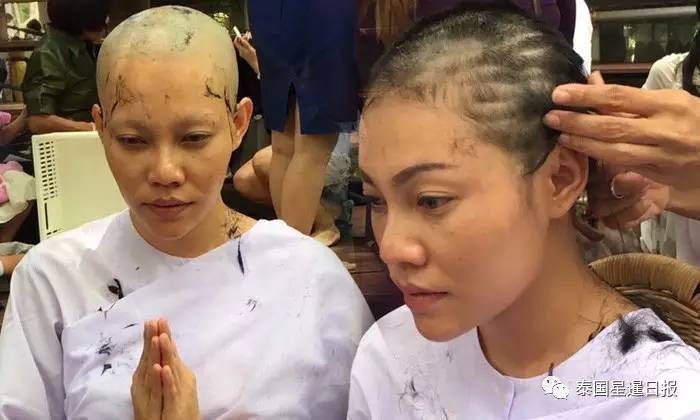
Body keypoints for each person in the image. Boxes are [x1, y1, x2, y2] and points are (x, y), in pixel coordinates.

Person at [0, 7, 373, 419]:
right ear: (101, 130)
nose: (165, 172)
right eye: (133, 141)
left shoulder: (309, 278)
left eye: (194, 138)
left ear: (238, 124)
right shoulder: (53, 281)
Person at [347, 3, 700, 419]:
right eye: (375, 199)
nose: (391, 248)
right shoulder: (389, 358)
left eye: (431, 200)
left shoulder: (662, 401)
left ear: (560, 179)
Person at [247, 0, 359, 237]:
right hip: (321, 12)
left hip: (269, 13)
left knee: (283, 146)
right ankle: (293, 251)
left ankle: (286, 245)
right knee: (313, 146)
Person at [21, 0, 107, 135]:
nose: (106, 20)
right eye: (101, 16)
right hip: (68, 143)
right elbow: (38, 121)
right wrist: (91, 128)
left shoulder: (83, 44)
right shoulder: (48, 53)